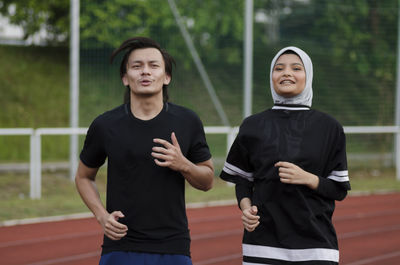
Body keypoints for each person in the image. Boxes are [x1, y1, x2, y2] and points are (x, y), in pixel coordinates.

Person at [75, 37, 214, 265]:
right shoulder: (105, 125)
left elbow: (207, 180)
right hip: (120, 246)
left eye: (153, 65)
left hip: (173, 246)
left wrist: (183, 164)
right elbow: (83, 176)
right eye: (136, 66)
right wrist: (101, 215)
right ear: (125, 78)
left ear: (166, 77)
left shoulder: (187, 121)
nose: (145, 72)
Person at [220, 46, 350, 265]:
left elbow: (338, 189)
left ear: (308, 76)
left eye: (296, 68)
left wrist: (308, 178)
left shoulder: (329, 127)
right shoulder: (252, 125)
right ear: (272, 76)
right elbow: (243, 179)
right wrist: (246, 208)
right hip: (262, 244)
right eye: (279, 68)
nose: (287, 73)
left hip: (316, 245)